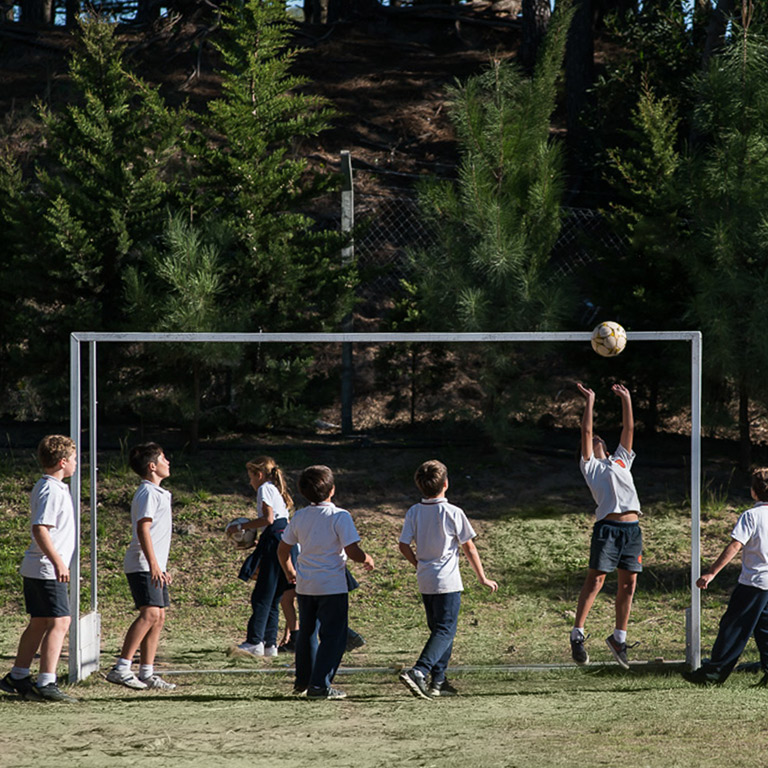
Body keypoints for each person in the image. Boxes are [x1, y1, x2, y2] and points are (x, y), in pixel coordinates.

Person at [398, 459, 498, 700]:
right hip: (447, 582)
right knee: (445, 630)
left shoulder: (414, 511)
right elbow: (469, 548)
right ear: (446, 484)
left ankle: (438, 681)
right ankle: (419, 671)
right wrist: (482, 577)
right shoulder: (453, 512)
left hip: (426, 580)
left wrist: (418, 564)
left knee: (439, 632)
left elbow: (403, 545)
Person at [277, 465, 374, 700]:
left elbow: (283, 548)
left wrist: (290, 570)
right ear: (332, 490)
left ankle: (304, 681)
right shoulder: (340, 516)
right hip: (331, 585)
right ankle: (320, 684)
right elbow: (351, 550)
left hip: (306, 585)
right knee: (334, 636)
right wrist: (366, 557)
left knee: (308, 632)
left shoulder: (299, 516)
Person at [0, 435, 79, 702]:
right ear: (62, 462)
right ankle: (46, 681)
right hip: (46, 568)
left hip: (38, 567)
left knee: (40, 622)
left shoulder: (54, 487)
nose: (76, 464)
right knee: (60, 621)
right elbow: (40, 528)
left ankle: (18, 675)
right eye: (74, 459)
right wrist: (58, 561)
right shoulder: (50, 490)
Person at [570, 383, 643, 670]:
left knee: (629, 584)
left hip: (632, 530)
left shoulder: (621, 461)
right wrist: (591, 400)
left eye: (601, 439)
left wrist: (627, 399)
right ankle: (577, 634)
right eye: (593, 440)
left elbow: (629, 428)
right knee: (597, 580)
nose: (597, 439)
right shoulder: (590, 466)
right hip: (608, 530)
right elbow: (586, 432)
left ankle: (618, 638)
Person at [682, 468, 768, 686]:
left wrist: (711, 572)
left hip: (754, 583)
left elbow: (735, 545)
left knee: (733, 627)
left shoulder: (752, 516)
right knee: (765, 629)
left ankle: (713, 672)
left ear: (753, 492)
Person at [106, 443, 176, 690]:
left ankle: (147, 672)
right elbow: (142, 528)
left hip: (155, 564)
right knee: (150, 614)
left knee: (159, 616)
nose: (168, 461)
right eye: (163, 458)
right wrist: (154, 564)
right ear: (152, 466)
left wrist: (161, 565)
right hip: (143, 564)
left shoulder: (159, 493)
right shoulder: (147, 492)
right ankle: (121, 667)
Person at [232, 456, 294, 658]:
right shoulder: (275, 489)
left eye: (250, 477)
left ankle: (254, 641)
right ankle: (270, 644)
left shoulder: (264, 488)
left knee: (261, 595)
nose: (250, 482)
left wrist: (240, 527)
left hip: (275, 541)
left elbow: (268, 519)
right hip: (282, 538)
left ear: (258, 475)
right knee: (274, 596)